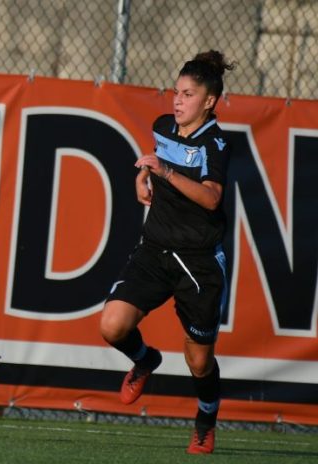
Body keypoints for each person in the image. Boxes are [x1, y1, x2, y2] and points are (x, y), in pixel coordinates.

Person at [99, 50, 235, 454]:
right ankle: (145, 360)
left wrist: (165, 173)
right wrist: (144, 176)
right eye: (176, 92)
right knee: (112, 326)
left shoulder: (217, 143)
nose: (177, 101)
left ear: (209, 101)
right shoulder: (163, 126)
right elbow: (155, 161)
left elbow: (211, 199)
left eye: (188, 94)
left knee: (198, 362)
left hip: (199, 264)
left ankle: (206, 416)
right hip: (155, 251)